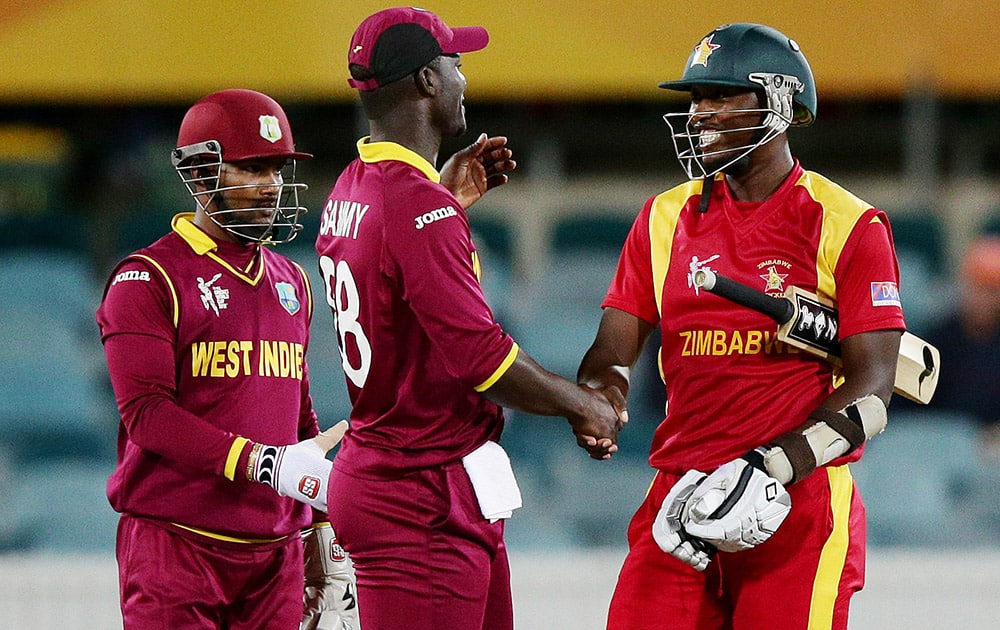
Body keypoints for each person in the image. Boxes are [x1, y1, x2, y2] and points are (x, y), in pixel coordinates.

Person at [576, 24, 906, 630]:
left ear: (778, 103)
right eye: (695, 99)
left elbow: (874, 393)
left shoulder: (850, 224)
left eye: (720, 97)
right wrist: (605, 395)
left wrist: (769, 466)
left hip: (797, 502)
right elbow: (612, 349)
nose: (699, 114)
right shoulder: (662, 216)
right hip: (681, 498)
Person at [316, 7, 625, 630]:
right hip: (420, 494)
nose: (465, 79)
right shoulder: (414, 208)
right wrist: (581, 403)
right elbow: (482, 359)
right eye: (455, 63)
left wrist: (446, 200)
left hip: (409, 475)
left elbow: (392, 286)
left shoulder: (352, 186)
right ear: (427, 81)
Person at [96, 88, 359, 629]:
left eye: (278, 169)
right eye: (252, 168)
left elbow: (295, 412)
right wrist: (266, 464)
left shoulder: (292, 281)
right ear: (199, 175)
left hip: (276, 554)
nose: (271, 187)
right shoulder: (147, 278)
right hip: (177, 545)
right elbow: (147, 415)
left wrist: (319, 523)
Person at [922, 235, 1000, 456]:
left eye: (993, 290)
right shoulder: (938, 339)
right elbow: (907, 410)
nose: (985, 298)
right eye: (979, 287)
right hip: (942, 447)